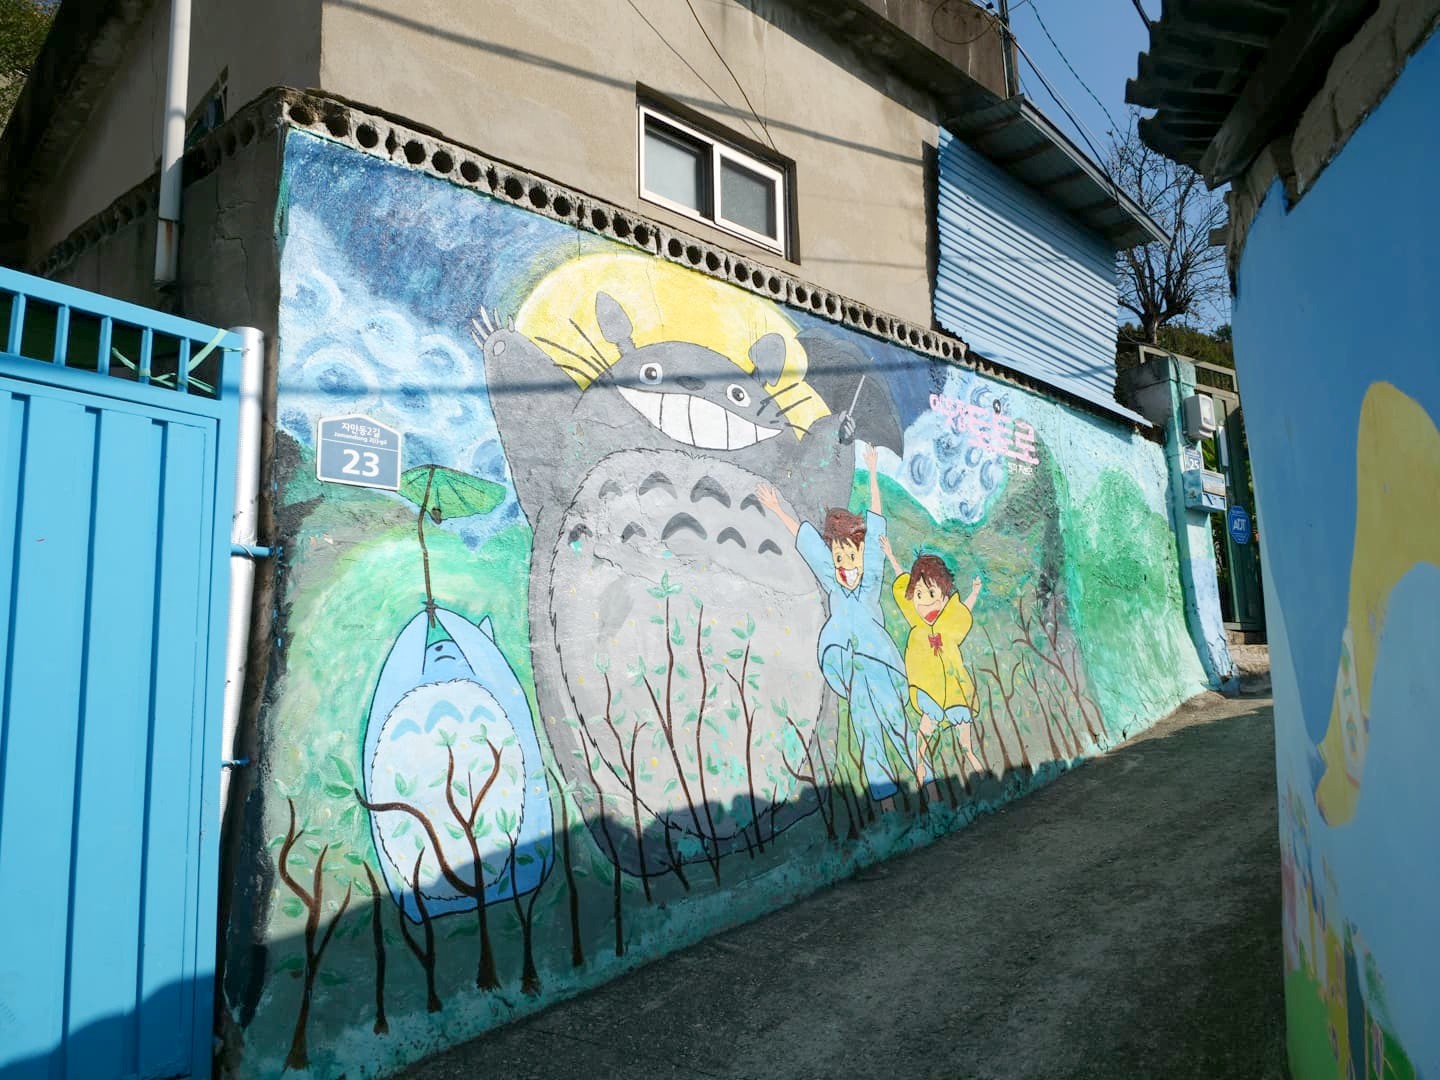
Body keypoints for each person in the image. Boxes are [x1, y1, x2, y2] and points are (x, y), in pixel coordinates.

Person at [756, 443, 913, 808]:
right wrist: (777, 508)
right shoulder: (832, 580)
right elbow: (808, 542)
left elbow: (875, 525)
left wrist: (872, 471)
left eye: (850, 555)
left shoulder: (871, 579)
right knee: (868, 733)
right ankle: (887, 806)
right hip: (853, 671)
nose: (844, 563)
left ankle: (929, 784)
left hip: (881, 666)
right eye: (838, 556)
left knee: (898, 724)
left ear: (860, 553)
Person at [880, 541, 985, 779]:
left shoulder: (949, 623)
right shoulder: (916, 622)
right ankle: (920, 765)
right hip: (929, 689)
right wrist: (891, 556)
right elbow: (903, 581)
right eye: (919, 595)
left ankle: (972, 758)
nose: (925, 602)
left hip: (955, 689)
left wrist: (975, 592)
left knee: (964, 730)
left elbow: (963, 611)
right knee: (927, 725)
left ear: (945, 598)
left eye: (931, 594)